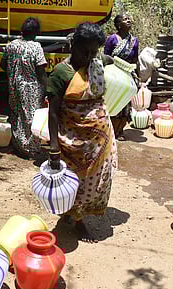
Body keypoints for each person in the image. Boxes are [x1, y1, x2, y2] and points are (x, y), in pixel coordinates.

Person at [47, 22, 118, 242]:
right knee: (74, 180)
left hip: (100, 139)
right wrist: (54, 147)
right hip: (73, 139)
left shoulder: (98, 63)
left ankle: (80, 215)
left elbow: (112, 61)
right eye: (84, 50)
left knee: (97, 181)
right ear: (72, 44)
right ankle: (76, 219)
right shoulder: (61, 73)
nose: (88, 56)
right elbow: (53, 113)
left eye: (93, 51)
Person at [0, 17, 48, 158]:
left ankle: (18, 144)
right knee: (31, 118)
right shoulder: (36, 47)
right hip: (30, 88)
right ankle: (30, 149)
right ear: (36, 32)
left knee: (16, 114)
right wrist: (48, 89)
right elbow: (41, 72)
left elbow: (2, 64)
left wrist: (14, 72)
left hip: (14, 85)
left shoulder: (11, 45)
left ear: (22, 31)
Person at [104, 14, 139, 139]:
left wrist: (138, 78)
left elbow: (135, 59)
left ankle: (120, 131)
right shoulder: (112, 39)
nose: (129, 20)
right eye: (125, 19)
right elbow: (106, 57)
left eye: (129, 18)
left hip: (127, 74)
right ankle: (110, 129)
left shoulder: (134, 41)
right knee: (112, 100)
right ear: (118, 24)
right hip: (113, 74)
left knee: (124, 103)